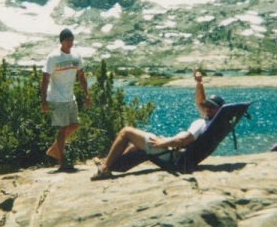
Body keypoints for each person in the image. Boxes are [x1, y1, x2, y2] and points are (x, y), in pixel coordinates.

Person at [91, 69, 224, 180]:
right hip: (172, 152)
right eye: (207, 106)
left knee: (126, 132)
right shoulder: (213, 122)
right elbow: (200, 101)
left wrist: (162, 143)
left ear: (220, 109)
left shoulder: (202, 124)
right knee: (135, 146)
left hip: (169, 152)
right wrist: (199, 83)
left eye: (212, 107)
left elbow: (184, 140)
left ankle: (104, 169)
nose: (207, 108)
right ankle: (111, 164)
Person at [41, 28, 90, 169]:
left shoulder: (76, 56)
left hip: (70, 97)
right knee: (63, 128)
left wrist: (87, 94)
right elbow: (45, 79)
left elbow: (81, 76)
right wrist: (43, 100)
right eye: (68, 40)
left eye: (72, 39)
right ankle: (62, 161)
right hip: (57, 98)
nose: (70, 42)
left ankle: (54, 150)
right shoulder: (53, 57)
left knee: (74, 125)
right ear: (61, 41)